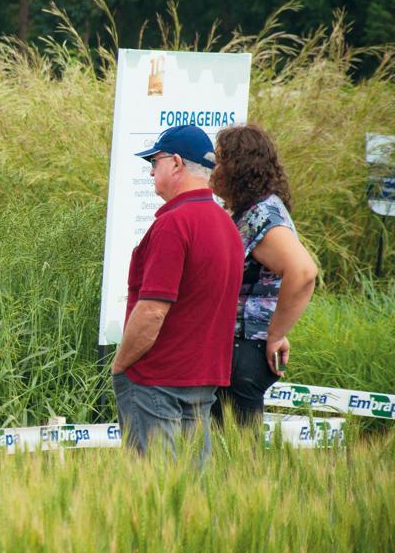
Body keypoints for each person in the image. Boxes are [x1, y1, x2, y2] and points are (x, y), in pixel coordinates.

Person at [111, 124, 243, 461]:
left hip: (157, 381)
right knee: (189, 496)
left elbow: (153, 309)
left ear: (177, 163)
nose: (152, 171)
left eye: (155, 162)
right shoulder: (226, 224)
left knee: (152, 494)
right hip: (202, 381)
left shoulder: (174, 223)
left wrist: (122, 365)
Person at [210, 124, 317, 426]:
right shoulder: (251, 210)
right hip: (242, 346)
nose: (212, 167)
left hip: (246, 348)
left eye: (219, 161)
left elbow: (304, 271)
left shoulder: (262, 214)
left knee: (235, 455)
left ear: (239, 167)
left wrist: (276, 334)